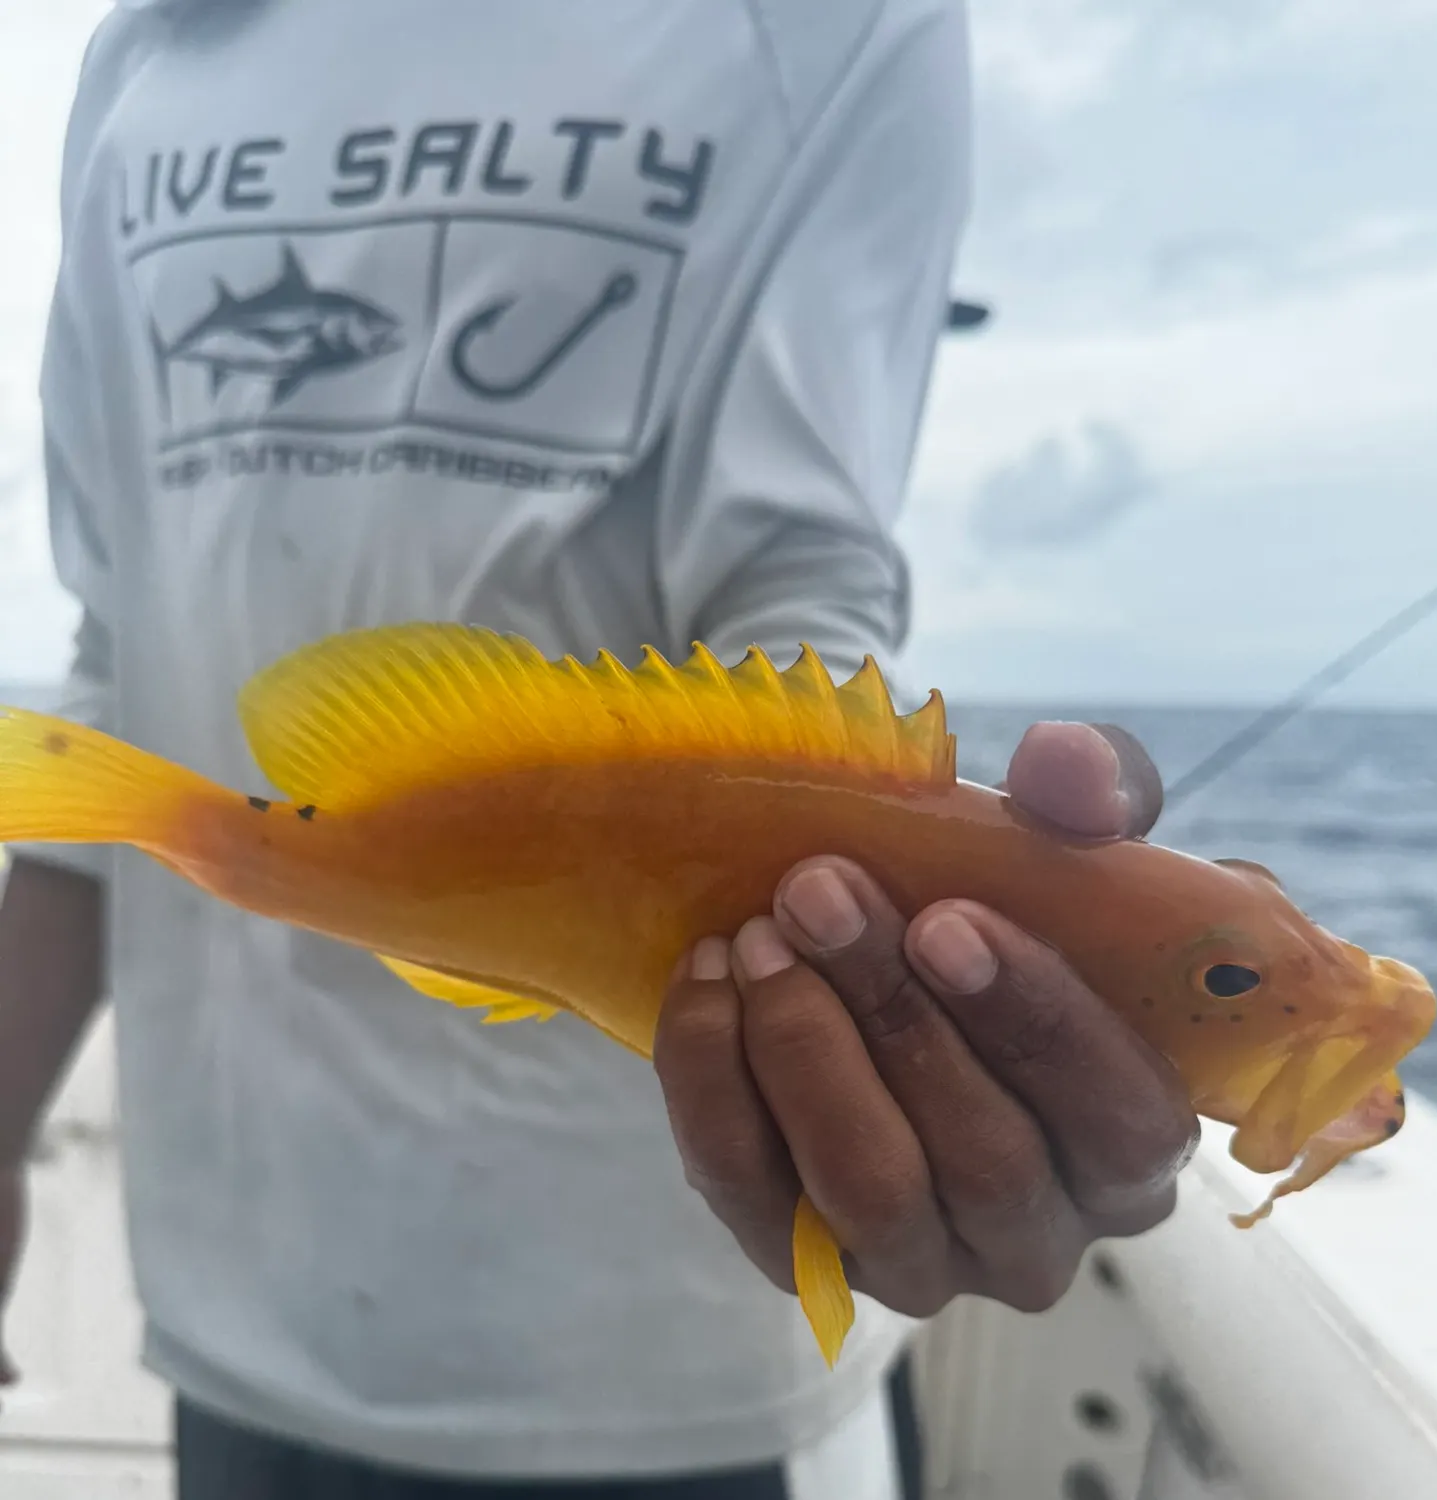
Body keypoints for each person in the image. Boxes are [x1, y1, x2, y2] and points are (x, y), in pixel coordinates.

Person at [0, 0, 1197, 1496]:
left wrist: (984, 913)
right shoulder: (149, 52)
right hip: (228, 1304)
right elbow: (128, 642)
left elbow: (796, 600)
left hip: (663, 1358)